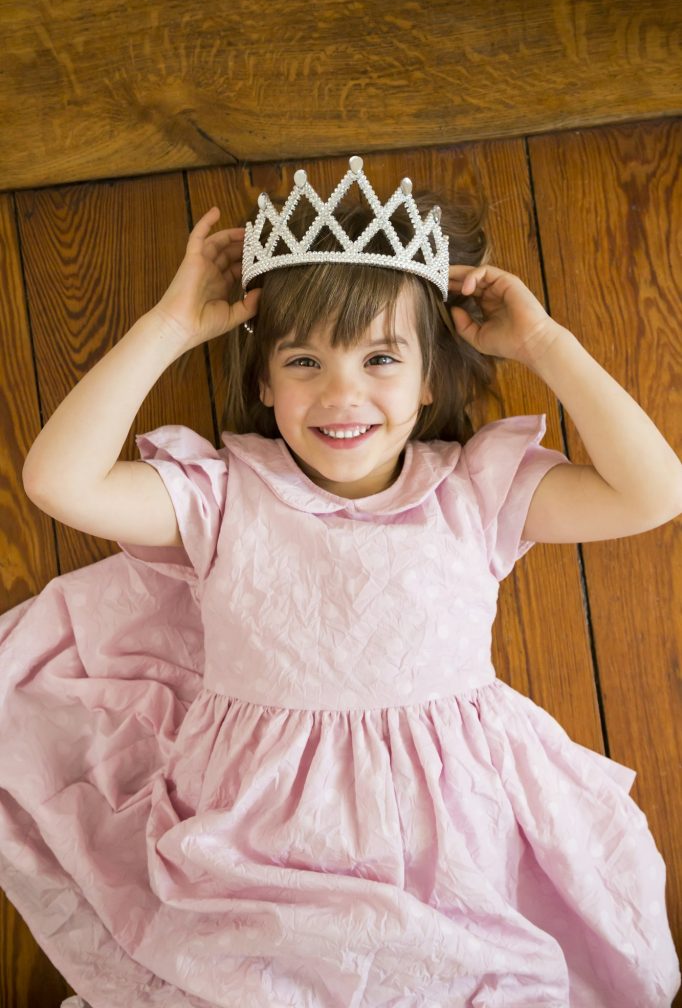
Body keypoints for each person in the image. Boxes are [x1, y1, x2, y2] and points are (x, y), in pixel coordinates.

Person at [1, 155, 680, 1008]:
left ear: (430, 380)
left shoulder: (471, 490)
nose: (341, 393)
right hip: (259, 848)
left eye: (382, 359)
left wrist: (545, 344)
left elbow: (652, 494)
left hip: (448, 847)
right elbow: (56, 483)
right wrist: (172, 326)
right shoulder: (226, 494)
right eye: (304, 362)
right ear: (264, 381)